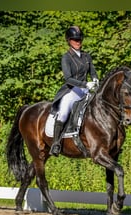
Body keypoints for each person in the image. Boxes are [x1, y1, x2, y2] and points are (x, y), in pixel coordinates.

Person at [49, 25, 99, 156]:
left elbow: (92, 72)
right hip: (72, 90)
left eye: (79, 39)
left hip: (86, 89)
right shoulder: (66, 57)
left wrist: (95, 79)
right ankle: (56, 143)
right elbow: (68, 78)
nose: (78, 42)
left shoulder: (87, 56)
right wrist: (85, 84)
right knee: (64, 111)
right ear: (69, 41)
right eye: (74, 39)